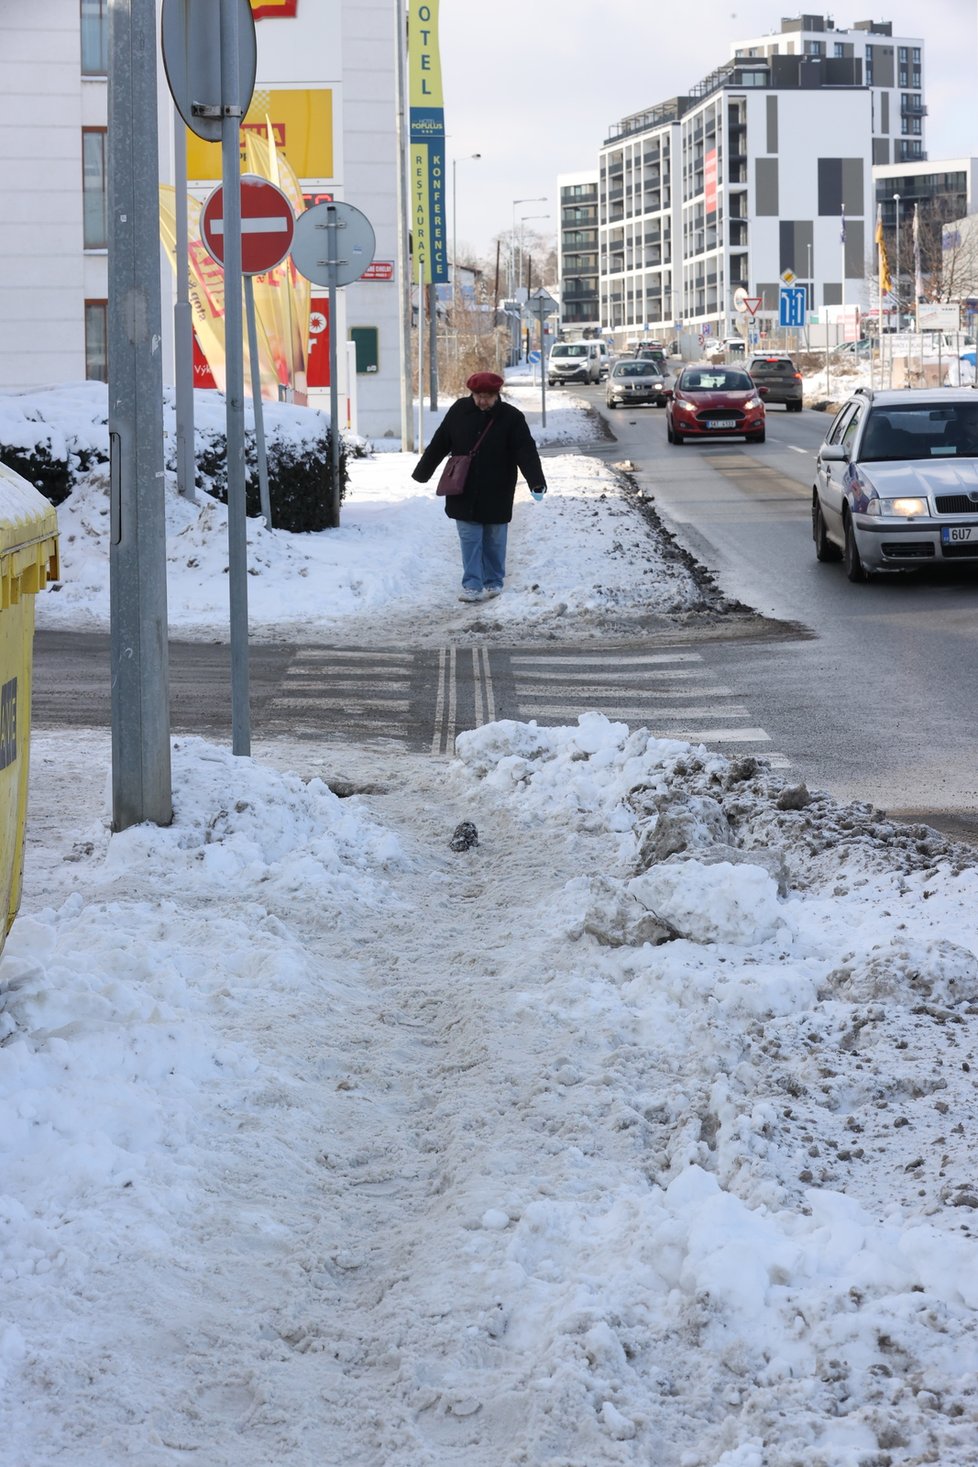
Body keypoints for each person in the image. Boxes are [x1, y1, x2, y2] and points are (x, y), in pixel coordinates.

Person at [411, 371, 547, 602]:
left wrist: (536, 480)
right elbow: (440, 442)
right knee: (470, 538)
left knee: (494, 538)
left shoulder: (511, 417)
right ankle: (472, 585)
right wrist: (422, 472)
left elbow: (525, 451)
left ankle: (494, 582)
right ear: (471, 393)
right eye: (478, 396)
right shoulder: (458, 411)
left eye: (488, 396)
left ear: (497, 395)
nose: (482, 401)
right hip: (463, 487)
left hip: (497, 488)